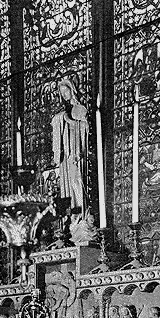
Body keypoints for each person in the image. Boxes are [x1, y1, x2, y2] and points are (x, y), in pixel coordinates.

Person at [51, 76, 89, 214]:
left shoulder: (80, 109)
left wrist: (69, 121)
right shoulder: (63, 112)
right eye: (62, 93)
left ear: (72, 90)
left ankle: (81, 211)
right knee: (66, 182)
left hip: (76, 151)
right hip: (65, 153)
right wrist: (62, 119)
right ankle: (73, 212)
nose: (64, 95)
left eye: (66, 91)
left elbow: (85, 127)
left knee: (76, 179)